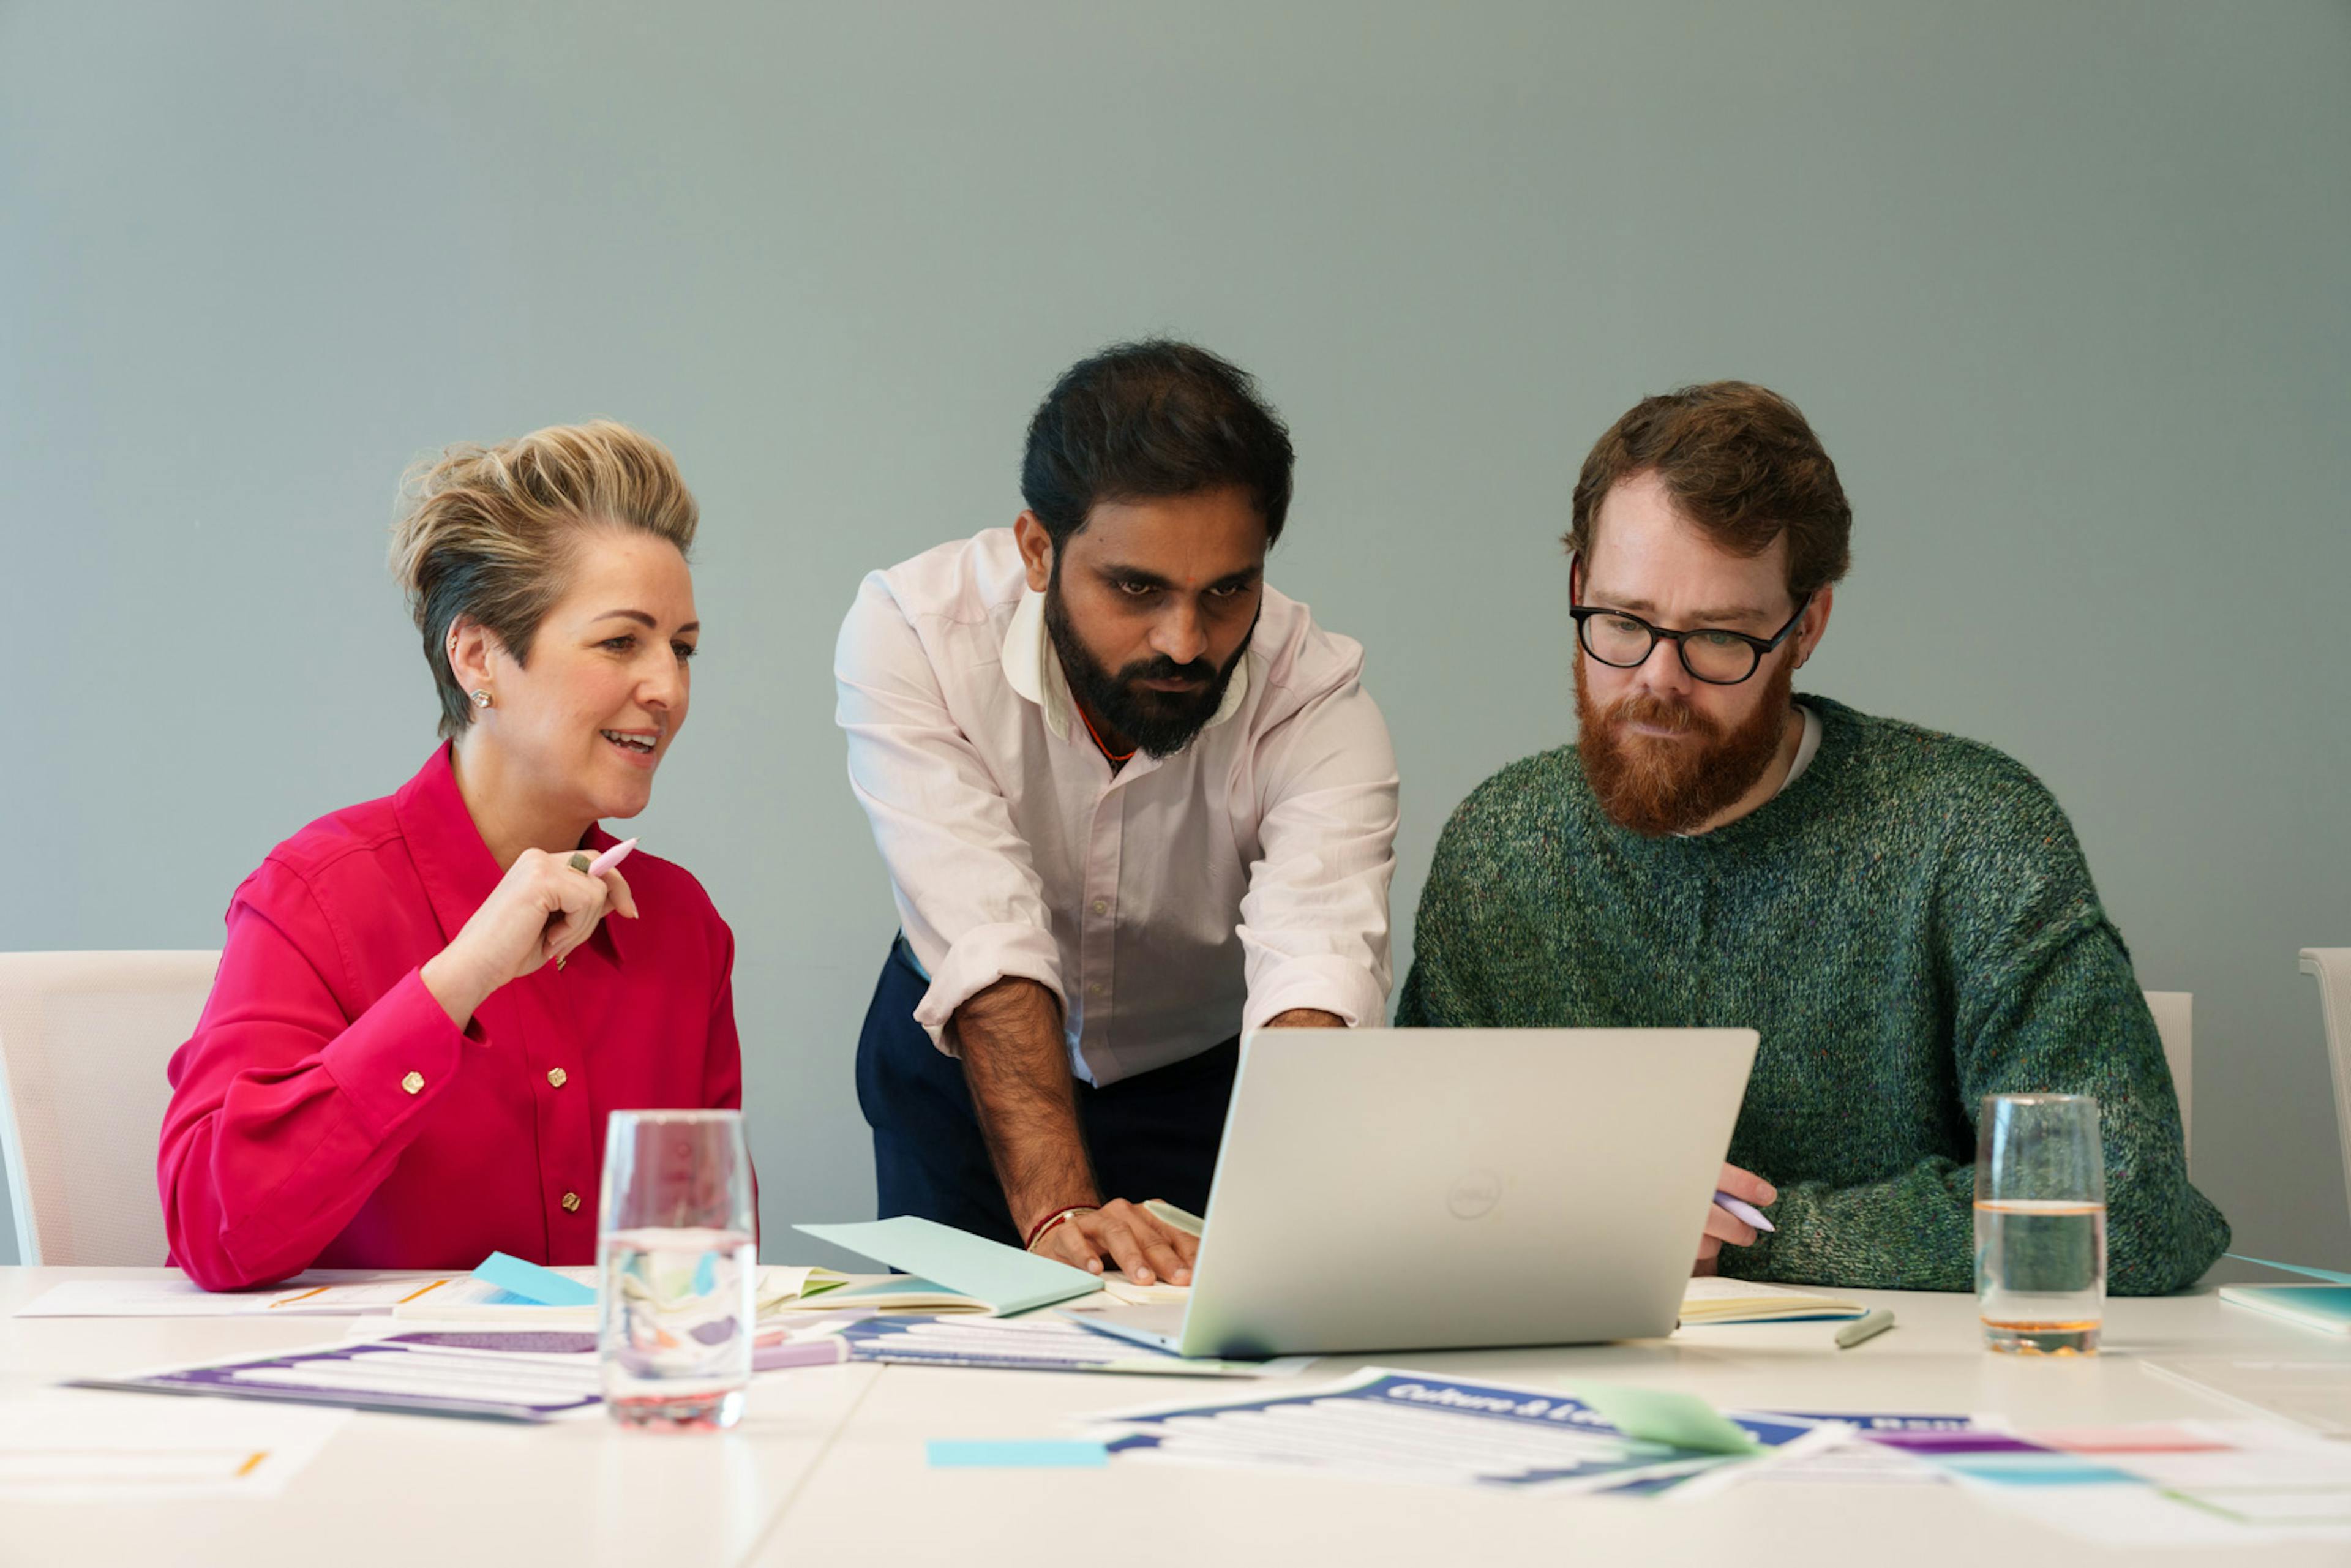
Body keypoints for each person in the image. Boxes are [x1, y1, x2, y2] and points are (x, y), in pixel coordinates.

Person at [1398, 382, 2228, 1293]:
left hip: (1914, 1371)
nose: (1658, 679)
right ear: (1576, 589)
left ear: (1807, 629)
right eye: (1623, 622)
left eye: (1720, 636)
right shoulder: (1500, 849)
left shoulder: (1973, 832)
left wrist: (1756, 1236)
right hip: (1571, 1364)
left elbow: (2131, 1203)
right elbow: (1412, 1189)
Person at [836, 340, 1399, 1285]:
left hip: (1202, 1081)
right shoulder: (916, 633)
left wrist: (1285, 1244)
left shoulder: (1315, 697)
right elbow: (985, 937)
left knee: (1218, 1345)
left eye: (1227, 590)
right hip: (968, 1069)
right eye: (1137, 588)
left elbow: (1317, 966)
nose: (1185, 641)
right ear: (1038, 550)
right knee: (953, 1356)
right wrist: (1059, 1212)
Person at [159, 421, 743, 1291]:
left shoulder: (680, 926)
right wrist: (460, 980)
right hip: (360, 1382)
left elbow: (705, 1275)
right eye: (622, 642)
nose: (668, 688)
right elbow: (213, 1230)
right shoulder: (316, 897)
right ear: (476, 657)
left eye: (682, 648)